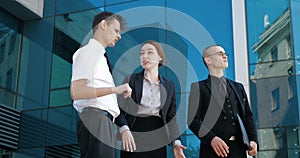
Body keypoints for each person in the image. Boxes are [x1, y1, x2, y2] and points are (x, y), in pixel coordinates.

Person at [70, 11, 132, 158]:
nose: (119, 35)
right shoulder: (88, 52)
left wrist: (123, 128)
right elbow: (76, 91)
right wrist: (115, 89)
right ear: (103, 25)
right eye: (116, 30)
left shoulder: (101, 57)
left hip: (104, 122)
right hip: (95, 119)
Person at [115, 40, 186, 158]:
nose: (145, 56)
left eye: (150, 52)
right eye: (142, 53)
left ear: (160, 58)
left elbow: (171, 118)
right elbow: (118, 109)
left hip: (158, 138)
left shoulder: (169, 86)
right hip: (133, 135)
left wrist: (176, 143)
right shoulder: (131, 80)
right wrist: (124, 129)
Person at [188, 44, 258, 158]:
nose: (225, 56)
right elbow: (193, 120)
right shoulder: (198, 88)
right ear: (208, 60)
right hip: (212, 151)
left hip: (238, 150)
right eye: (220, 54)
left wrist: (253, 140)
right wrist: (211, 138)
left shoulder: (238, 87)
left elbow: (248, 116)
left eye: (225, 54)